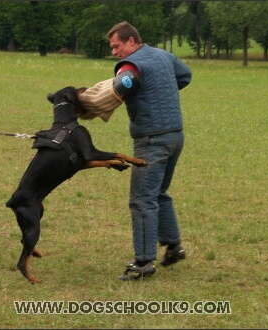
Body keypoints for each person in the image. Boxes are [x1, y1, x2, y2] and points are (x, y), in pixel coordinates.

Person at [102, 21, 192, 280]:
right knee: (158, 192)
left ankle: (143, 263)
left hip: (152, 140)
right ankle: (173, 247)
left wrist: (92, 103)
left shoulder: (131, 66)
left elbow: (122, 86)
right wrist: (160, 91)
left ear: (131, 41)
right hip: (175, 135)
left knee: (142, 199)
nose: (114, 52)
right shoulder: (164, 55)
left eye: (116, 46)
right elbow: (185, 75)